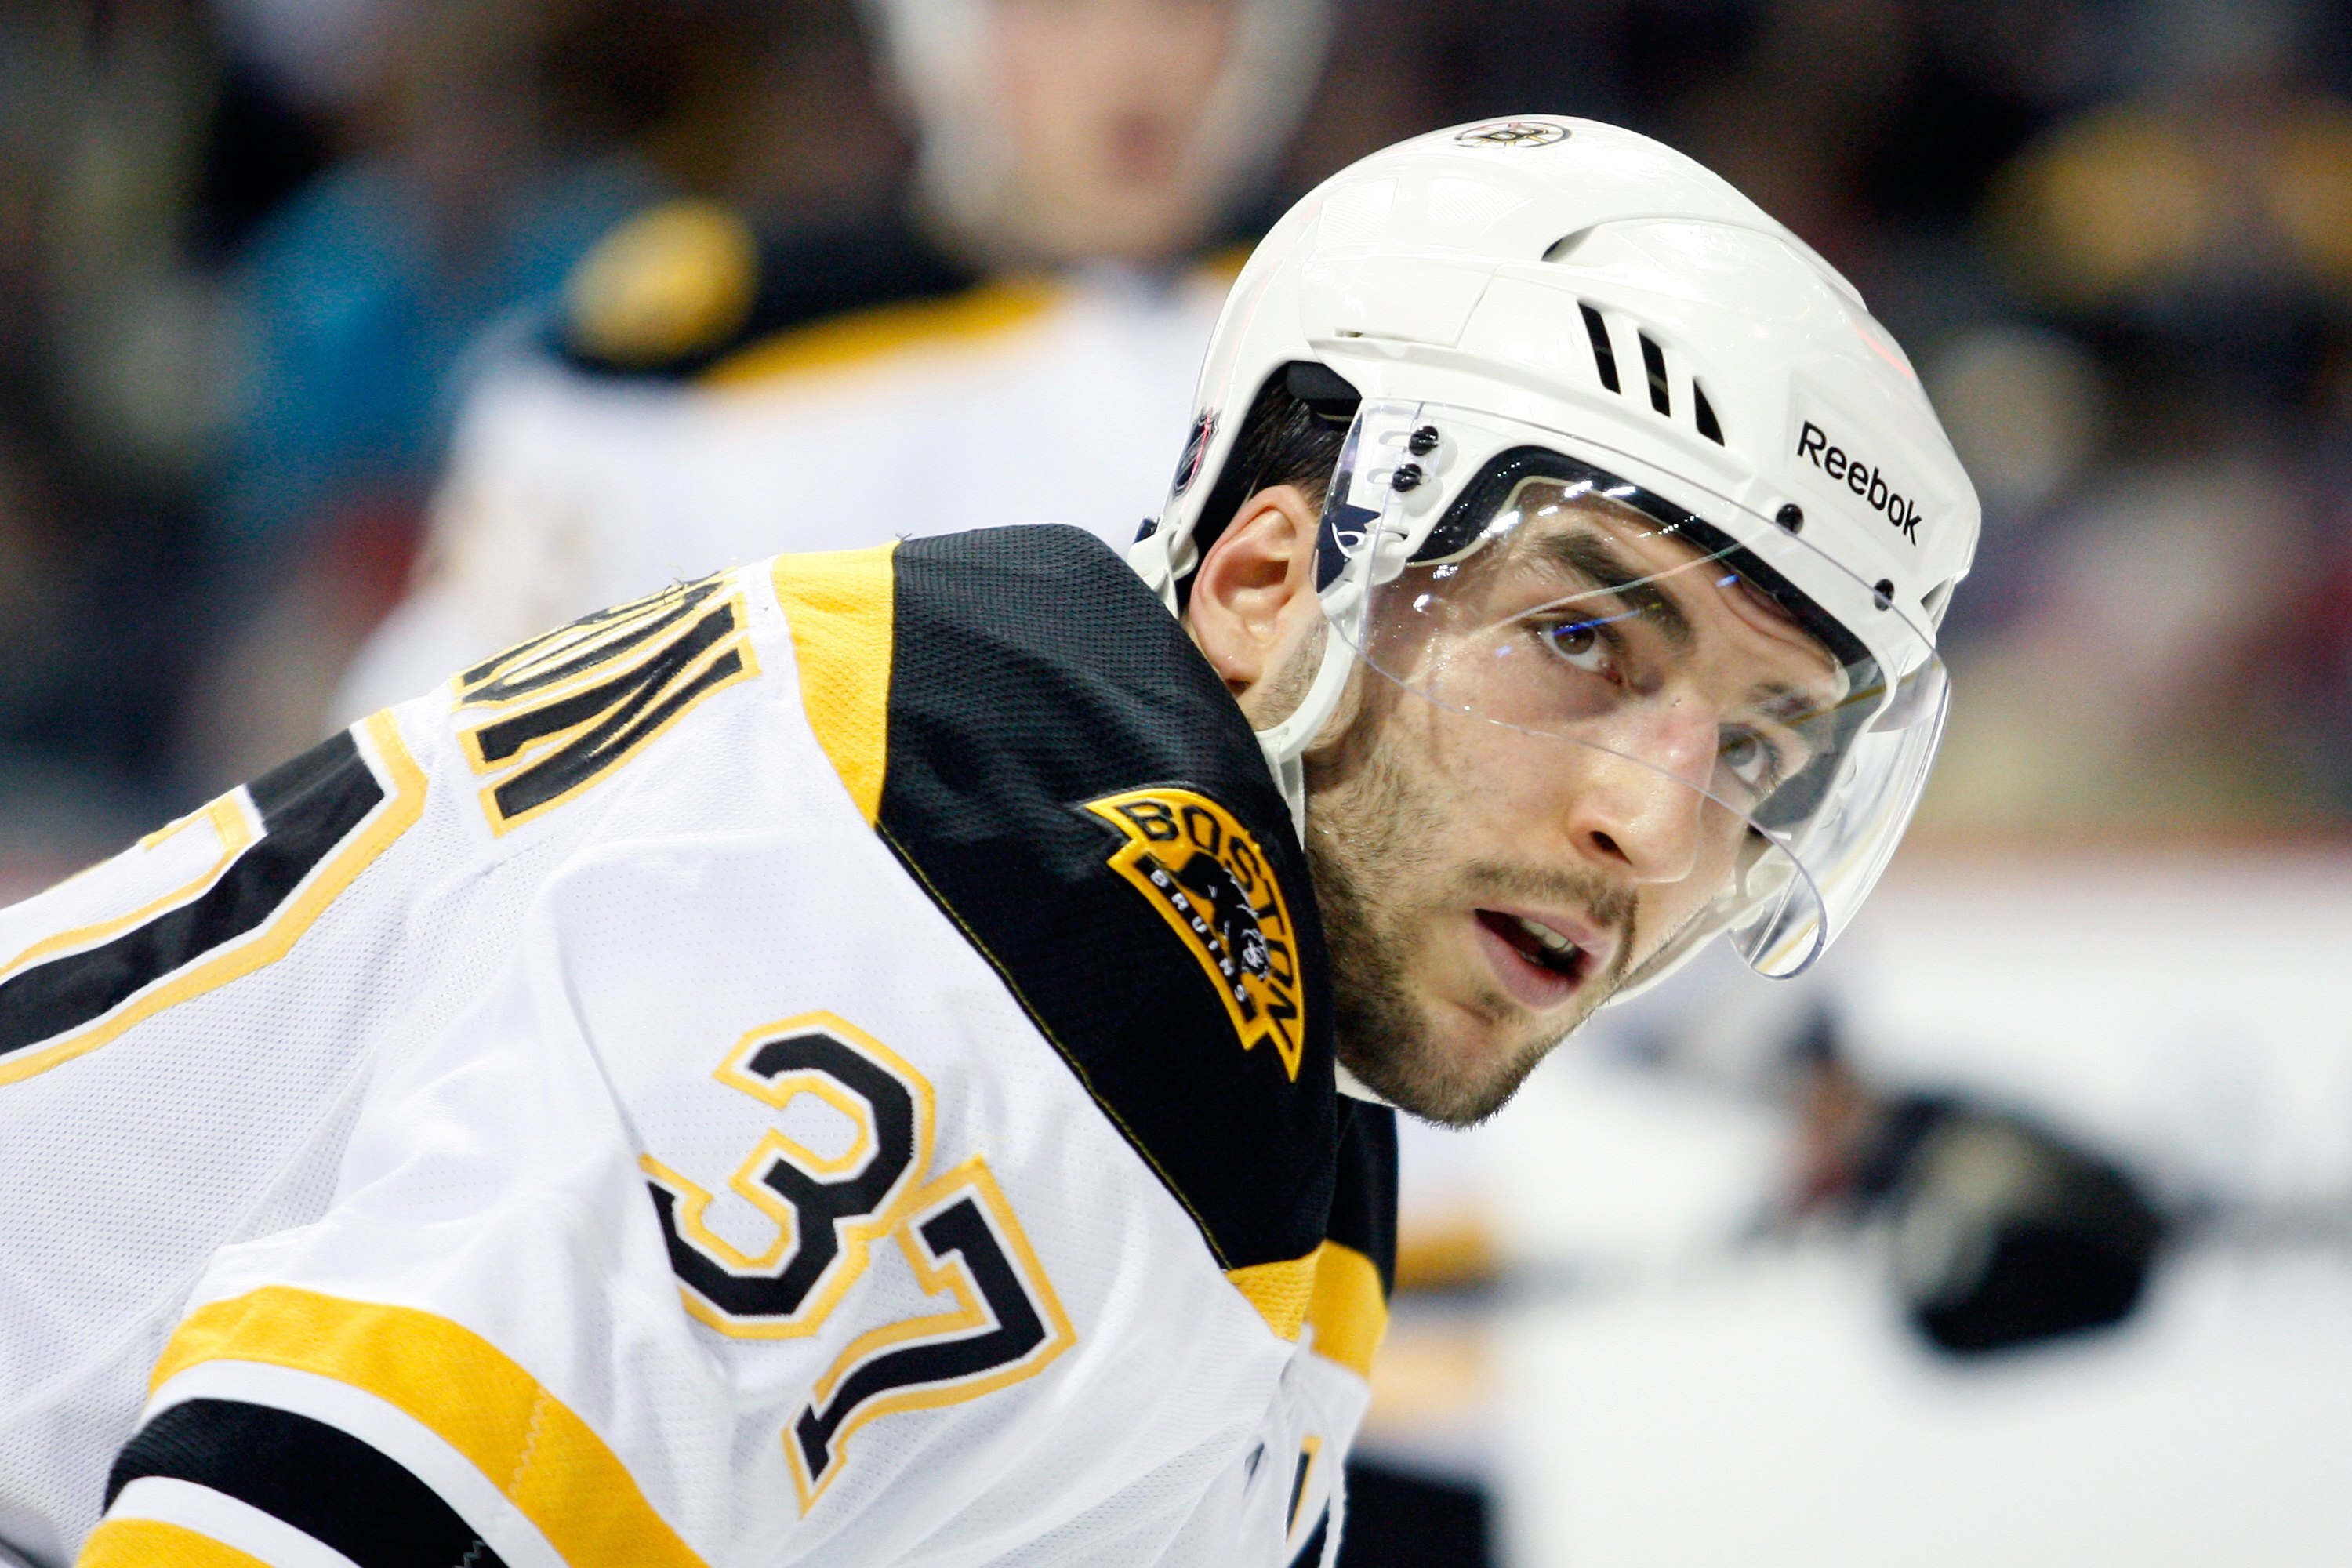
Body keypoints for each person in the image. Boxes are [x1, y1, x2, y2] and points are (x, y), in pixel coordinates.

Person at [0, 118, 1976, 1566]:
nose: (1658, 820)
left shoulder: (1252, 1056)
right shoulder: (979, 910)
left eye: (1760, 744)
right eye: (1580, 637)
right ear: (1269, 578)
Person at [332, 0, 1339, 720]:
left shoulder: (1349, 328)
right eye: (1058, 12)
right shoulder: (695, 360)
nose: (1132, 61)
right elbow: (457, 722)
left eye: (1183, 10)